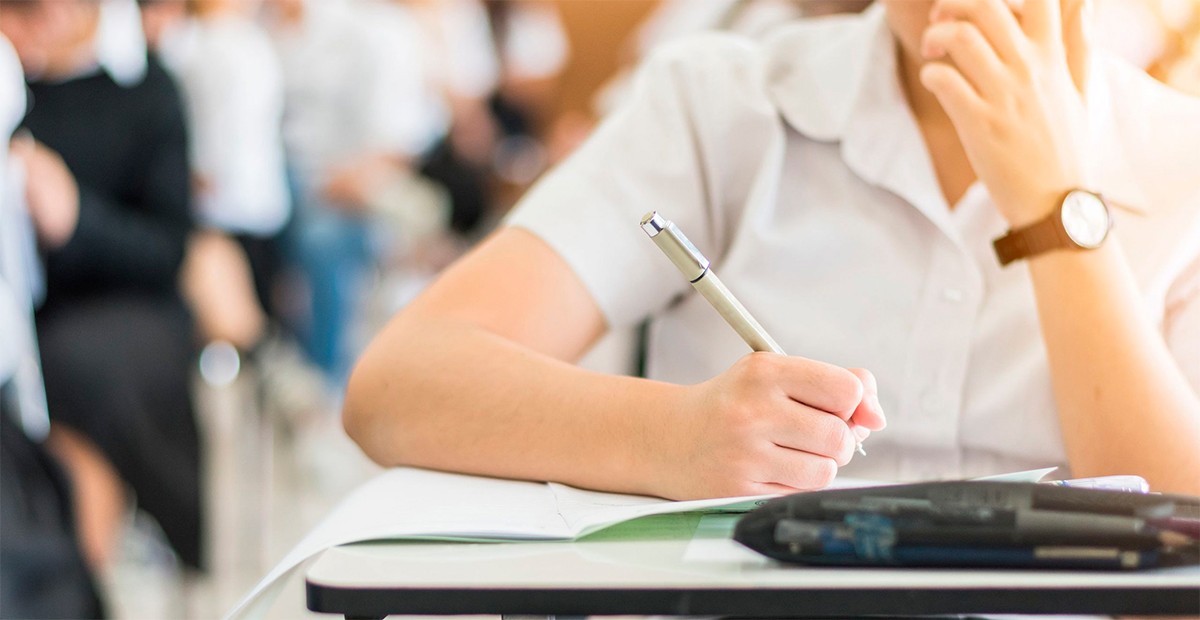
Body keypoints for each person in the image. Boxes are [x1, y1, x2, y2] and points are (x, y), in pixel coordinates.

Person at [344, 0, 1200, 500]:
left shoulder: (1181, 159)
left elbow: (1178, 544)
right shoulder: (722, 105)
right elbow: (399, 384)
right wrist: (673, 437)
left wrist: (1055, 210)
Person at [1, 0, 202, 572]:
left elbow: (168, 251)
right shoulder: (12, 83)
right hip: (29, 304)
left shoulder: (147, 90)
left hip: (122, 304)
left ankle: (72, 582)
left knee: (78, 378)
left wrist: (76, 219)